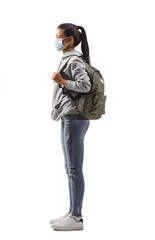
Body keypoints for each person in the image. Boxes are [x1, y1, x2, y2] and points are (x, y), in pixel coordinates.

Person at [49, 23, 91, 231]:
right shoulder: (68, 58)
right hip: (69, 117)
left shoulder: (73, 60)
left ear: (69, 40)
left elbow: (85, 86)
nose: (55, 40)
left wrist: (63, 81)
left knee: (74, 169)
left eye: (58, 37)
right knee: (70, 168)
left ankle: (76, 217)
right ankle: (72, 212)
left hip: (74, 118)